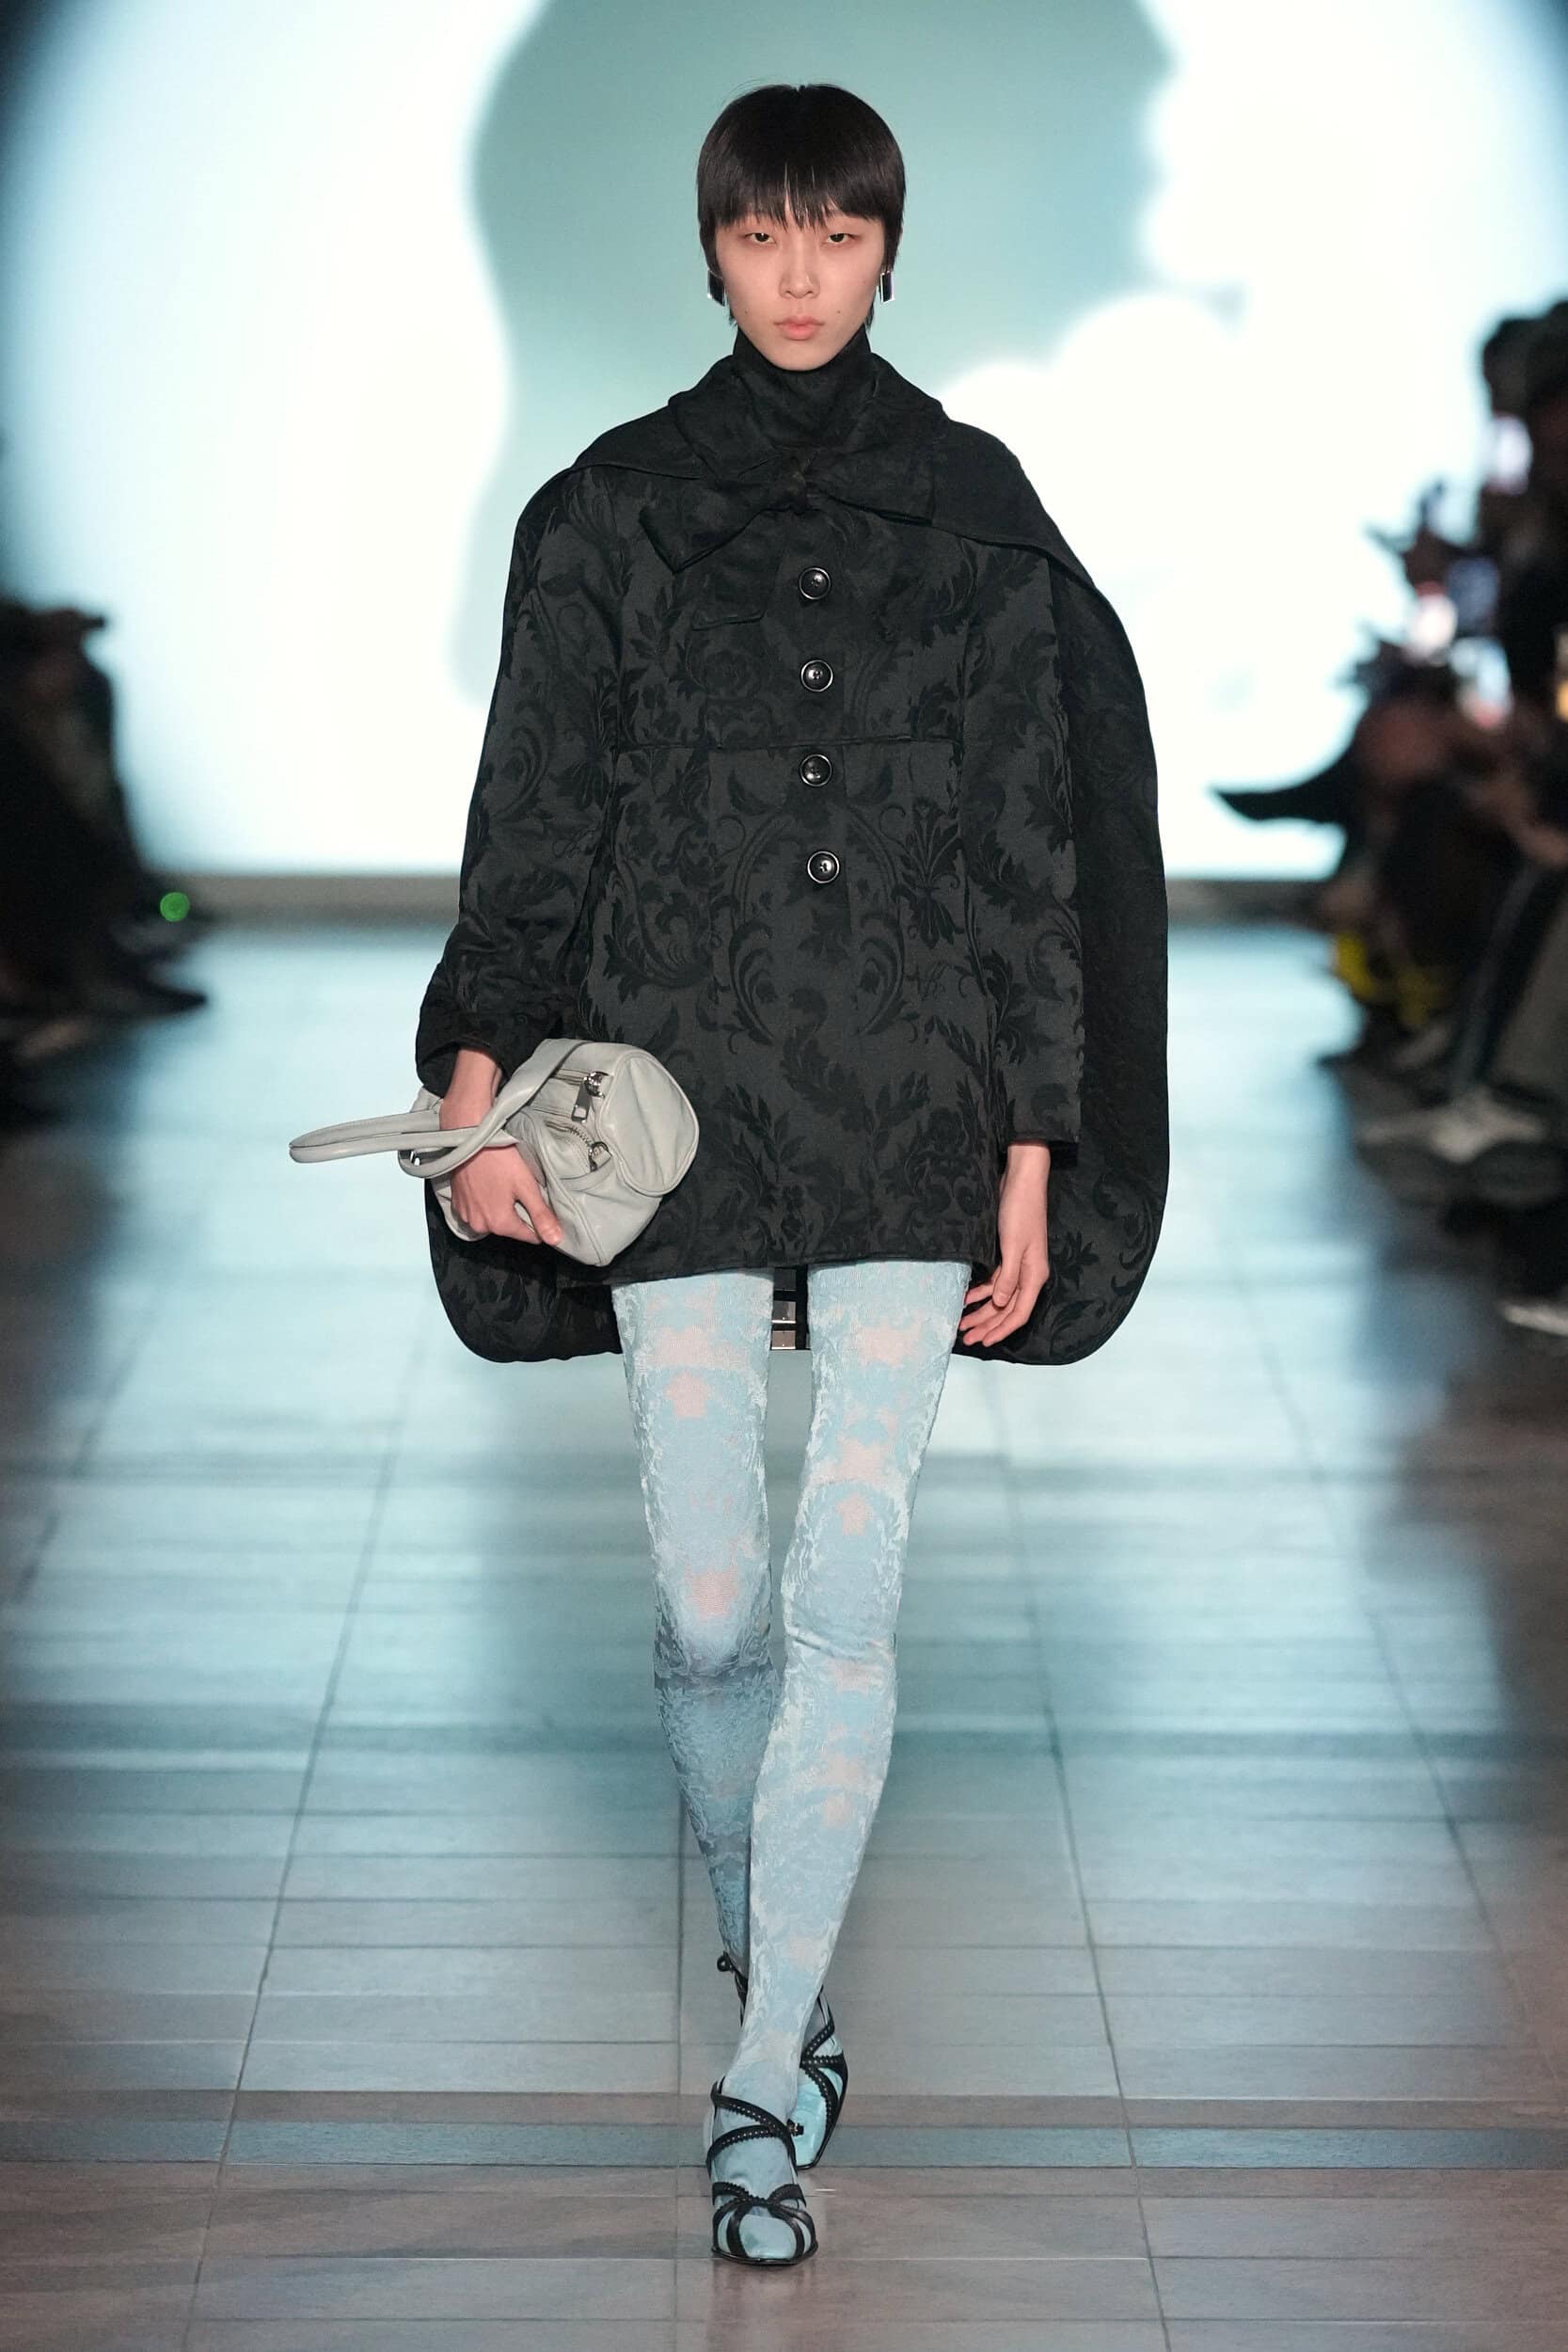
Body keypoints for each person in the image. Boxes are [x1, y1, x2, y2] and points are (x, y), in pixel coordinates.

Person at [413, 83, 1168, 2266]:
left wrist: (1035, 1147)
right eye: (766, 234)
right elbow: (536, 814)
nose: (804, 272)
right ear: (716, 250)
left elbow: (1034, 848)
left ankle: (759, 2093)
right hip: (672, 1093)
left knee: (848, 1579)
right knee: (706, 1594)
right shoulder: (617, 512)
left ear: (890, 250)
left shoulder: (977, 513)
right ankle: (791, 1955)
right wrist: (475, 1088)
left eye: (839, 232)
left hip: (917, 1098)